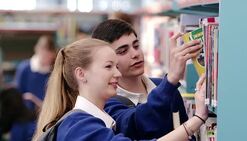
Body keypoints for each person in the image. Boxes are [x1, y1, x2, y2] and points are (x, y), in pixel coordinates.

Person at [33, 38, 207, 141]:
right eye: (108, 67)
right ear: (81, 74)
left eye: (116, 66)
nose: (117, 73)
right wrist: (197, 119)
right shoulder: (79, 126)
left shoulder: (91, 122)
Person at [91, 19, 202, 139]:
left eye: (136, 46)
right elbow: (136, 123)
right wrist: (170, 80)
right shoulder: (106, 101)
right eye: (123, 51)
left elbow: (187, 134)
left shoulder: (164, 86)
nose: (135, 54)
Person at [13, 35, 56, 141]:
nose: (45, 58)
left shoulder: (53, 73)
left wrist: (36, 100)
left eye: (48, 55)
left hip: (45, 119)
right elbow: (16, 97)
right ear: (37, 50)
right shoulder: (24, 68)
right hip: (23, 119)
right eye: (43, 53)